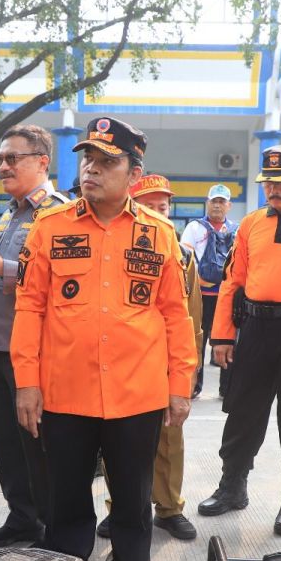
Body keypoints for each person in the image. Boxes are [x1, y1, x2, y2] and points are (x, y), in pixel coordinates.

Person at [12, 116, 197, 561]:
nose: (92, 169)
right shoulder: (50, 228)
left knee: (133, 503)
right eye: (87, 159)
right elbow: (29, 308)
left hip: (136, 395)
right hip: (65, 394)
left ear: (134, 173)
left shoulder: (159, 234)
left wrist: (179, 385)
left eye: (107, 161)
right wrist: (27, 382)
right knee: (66, 502)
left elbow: (174, 316)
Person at [199, 143, 281, 536]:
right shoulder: (251, 223)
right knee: (243, 413)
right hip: (256, 329)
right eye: (269, 183)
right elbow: (234, 279)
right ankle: (232, 486)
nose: (274, 190)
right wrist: (223, 337)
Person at [0, 124, 67, 548]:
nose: (3, 167)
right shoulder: (11, 213)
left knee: (39, 445)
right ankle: (22, 518)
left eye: (13, 158)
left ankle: (52, 525)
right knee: (8, 443)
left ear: (42, 162)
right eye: (0, 160)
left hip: (34, 353)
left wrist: (4, 271)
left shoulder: (60, 213)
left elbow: (65, 281)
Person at [97, 173, 200, 541]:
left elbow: (191, 317)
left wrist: (187, 373)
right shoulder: (114, 247)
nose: (161, 212)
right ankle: (117, 508)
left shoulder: (183, 253)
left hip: (166, 365)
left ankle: (169, 508)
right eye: (151, 206)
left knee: (170, 441)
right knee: (117, 445)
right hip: (126, 367)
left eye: (164, 206)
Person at [181, 183, 238, 398]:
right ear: (207, 203)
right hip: (200, 295)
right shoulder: (194, 228)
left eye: (222, 202)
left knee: (227, 341)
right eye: (214, 201)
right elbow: (186, 258)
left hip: (225, 296)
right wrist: (196, 284)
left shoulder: (236, 229)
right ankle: (195, 386)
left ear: (229, 206)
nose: (217, 205)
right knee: (197, 342)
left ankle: (227, 388)